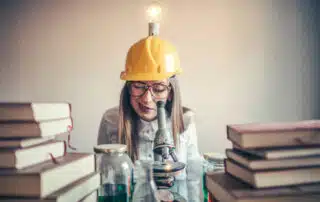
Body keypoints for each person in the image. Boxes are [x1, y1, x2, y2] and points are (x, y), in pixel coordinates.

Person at [97, 36, 203, 202]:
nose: (147, 99)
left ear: (170, 93)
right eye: (138, 86)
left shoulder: (186, 121)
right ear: (128, 87)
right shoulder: (111, 121)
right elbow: (101, 179)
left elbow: (194, 179)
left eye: (158, 88)